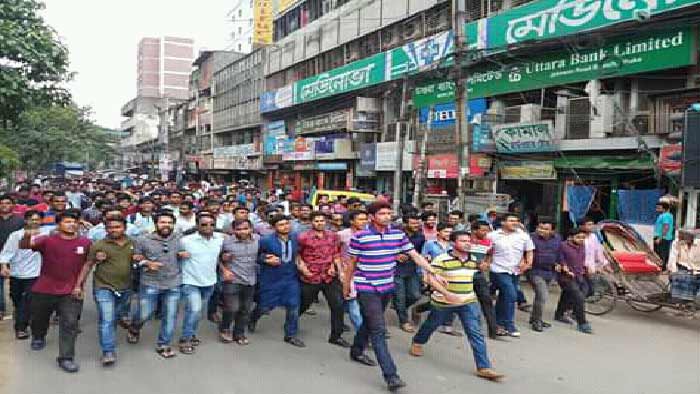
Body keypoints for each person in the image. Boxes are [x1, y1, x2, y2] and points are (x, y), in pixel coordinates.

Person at [343, 201, 444, 392]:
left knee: (370, 323)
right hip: (367, 288)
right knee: (378, 330)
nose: (387, 216)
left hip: (387, 286)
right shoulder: (360, 237)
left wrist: (433, 271)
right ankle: (391, 376)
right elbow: (351, 265)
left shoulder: (398, 234)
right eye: (382, 213)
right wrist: (346, 286)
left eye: (389, 213)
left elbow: (414, 255)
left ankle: (356, 351)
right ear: (372, 217)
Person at [409, 231, 504, 381]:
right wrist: (447, 294)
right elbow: (429, 278)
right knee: (431, 324)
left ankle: (484, 367)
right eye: (462, 241)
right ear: (453, 243)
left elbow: (479, 269)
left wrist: (486, 262)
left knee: (475, 333)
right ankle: (418, 341)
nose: (467, 243)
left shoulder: (473, 259)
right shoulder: (442, 259)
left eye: (469, 240)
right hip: (443, 302)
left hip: (467, 301)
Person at [21, 211, 91, 373]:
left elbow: (89, 263)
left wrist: (79, 285)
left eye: (74, 222)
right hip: (44, 288)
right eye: (67, 222)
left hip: (71, 290)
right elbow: (24, 245)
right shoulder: (47, 240)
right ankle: (38, 336)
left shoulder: (86, 243)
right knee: (39, 318)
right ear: (59, 224)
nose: (71, 224)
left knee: (70, 323)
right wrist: (28, 233)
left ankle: (66, 357)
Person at [74, 217, 134, 366]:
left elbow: (141, 259)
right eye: (110, 227)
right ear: (106, 229)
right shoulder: (99, 245)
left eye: (117, 227)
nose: (114, 230)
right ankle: (108, 351)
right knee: (107, 319)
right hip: (104, 287)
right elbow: (88, 265)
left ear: (124, 228)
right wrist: (78, 285)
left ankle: (115, 331)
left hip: (126, 287)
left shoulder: (133, 243)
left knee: (115, 316)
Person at [127, 211, 182, 359]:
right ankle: (134, 328)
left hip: (174, 282)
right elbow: (135, 259)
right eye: (163, 222)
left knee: (170, 315)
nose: (166, 225)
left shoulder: (179, 238)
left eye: (169, 223)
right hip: (150, 282)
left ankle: (163, 344)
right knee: (145, 313)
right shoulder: (143, 239)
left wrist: (183, 254)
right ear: (156, 224)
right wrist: (147, 263)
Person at [249, 215, 304, 348]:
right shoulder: (266, 241)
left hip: (290, 278)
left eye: (287, 223)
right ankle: (252, 319)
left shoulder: (296, 238)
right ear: (274, 227)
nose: (286, 226)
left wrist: (301, 265)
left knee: (293, 306)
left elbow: (298, 253)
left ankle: (290, 334)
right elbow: (256, 256)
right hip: (271, 279)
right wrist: (266, 259)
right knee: (265, 307)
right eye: (281, 224)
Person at [297, 212, 350, 348]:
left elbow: (336, 254)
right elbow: (297, 255)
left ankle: (336, 336)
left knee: (337, 306)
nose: (320, 223)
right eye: (317, 221)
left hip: (329, 276)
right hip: (311, 276)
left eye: (322, 221)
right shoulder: (303, 237)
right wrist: (304, 269)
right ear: (311, 222)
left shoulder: (333, 236)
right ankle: (291, 324)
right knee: (304, 304)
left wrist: (338, 270)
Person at [177, 213, 225, 354]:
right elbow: (172, 254)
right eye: (204, 224)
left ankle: (191, 333)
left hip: (209, 281)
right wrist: (178, 255)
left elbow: (220, 257)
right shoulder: (185, 240)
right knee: (195, 309)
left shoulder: (220, 239)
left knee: (197, 312)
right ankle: (185, 339)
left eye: (211, 224)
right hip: (190, 281)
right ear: (197, 225)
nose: (208, 227)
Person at [0, 210, 46, 339]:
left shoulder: (46, 234)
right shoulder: (16, 235)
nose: (35, 222)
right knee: (16, 298)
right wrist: (4, 266)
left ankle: (21, 328)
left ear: (41, 221)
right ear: (26, 220)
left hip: (35, 274)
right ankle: (21, 313)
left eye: (37, 219)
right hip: (17, 272)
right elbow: (7, 252)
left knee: (27, 300)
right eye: (32, 219)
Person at [488, 214, 535, 337]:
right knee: (511, 294)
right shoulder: (493, 236)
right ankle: (509, 324)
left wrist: (528, 263)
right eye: (511, 221)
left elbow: (529, 251)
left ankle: (497, 322)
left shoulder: (523, 236)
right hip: (498, 269)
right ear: (503, 223)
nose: (515, 223)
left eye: (516, 221)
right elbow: (487, 251)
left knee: (505, 296)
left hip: (515, 270)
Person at [219, 219, 259, 344]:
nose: (242, 231)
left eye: (245, 228)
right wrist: (224, 269)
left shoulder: (258, 240)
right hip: (232, 278)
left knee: (246, 309)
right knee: (232, 307)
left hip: (250, 279)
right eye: (239, 229)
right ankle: (225, 328)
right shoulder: (226, 242)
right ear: (233, 230)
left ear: (251, 229)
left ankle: (239, 333)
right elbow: (216, 258)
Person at [554, 228, 593, 334]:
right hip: (565, 277)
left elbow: (582, 259)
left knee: (570, 294)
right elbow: (559, 259)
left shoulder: (582, 246)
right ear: (571, 237)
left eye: (583, 238)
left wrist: (585, 268)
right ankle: (582, 323)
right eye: (578, 237)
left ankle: (559, 314)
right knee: (578, 297)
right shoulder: (563, 246)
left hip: (579, 274)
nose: (581, 240)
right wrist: (565, 268)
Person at [528, 219, 562, 332]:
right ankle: (537, 321)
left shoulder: (557, 239)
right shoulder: (531, 238)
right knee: (542, 295)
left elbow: (559, 253)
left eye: (546, 229)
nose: (541, 231)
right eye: (540, 228)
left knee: (539, 296)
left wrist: (559, 263)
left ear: (553, 230)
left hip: (549, 271)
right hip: (534, 271)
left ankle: (534, 318)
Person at [467, 220, 499, 339]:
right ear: (474, 230)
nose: (485, 233)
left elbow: (490, 254)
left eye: (487, 230)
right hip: (464, 275)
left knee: (487, 300)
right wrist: (475, 264)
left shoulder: (488, 242)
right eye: (483, 230)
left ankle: (493, 329)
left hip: (479, 275)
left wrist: (487, 263)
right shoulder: (465, 241)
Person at [393, 214, 424, 333]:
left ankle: (401, 308)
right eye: (413, 223)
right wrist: (395, 256)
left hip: (412, 270)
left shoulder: (420, 237)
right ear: (405, 224)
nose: (416, 226)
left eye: (418, 223)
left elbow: (420, 253)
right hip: (396, 270)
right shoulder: (395, 235)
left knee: (415, 295)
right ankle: (404, 321)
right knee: (400, 297)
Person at [337, 210, 367, 332]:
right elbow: (335, 252)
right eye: (360, 219)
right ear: (351, 221)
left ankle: (339, 317)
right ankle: (362, 334)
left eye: (365, 219)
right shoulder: (342, 234)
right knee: (353, 303)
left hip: (365, 272)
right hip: (347, 271)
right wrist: (339, 269)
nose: (364, 222)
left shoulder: (370, 234)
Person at [0, 194, 25, 320]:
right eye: (2, 203)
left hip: (16, 257)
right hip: (0, 257)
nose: (4, 205)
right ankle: (1, 309)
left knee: (16, 286)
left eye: (7, 203)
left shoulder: (20, 220)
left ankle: (18, 308)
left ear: (13, 205)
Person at [667, 229, 700, 304]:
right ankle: (682, 300)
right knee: (681, 276)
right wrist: (673, 271)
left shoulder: (698, 244)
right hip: (683, 268)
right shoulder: (677, 243)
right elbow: (672, 257)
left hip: (697, 269)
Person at [654, 202, 674, 270]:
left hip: (663, 238)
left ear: (664, 209)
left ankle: (661, 268)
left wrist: (660, 238)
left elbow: (666, 227)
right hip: (662, 237)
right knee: (660, 254)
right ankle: (661, 267)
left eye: (659, 208)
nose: (657, 209)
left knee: (661, 254)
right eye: (656, 207)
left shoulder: (666, 215)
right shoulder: (665, 215)